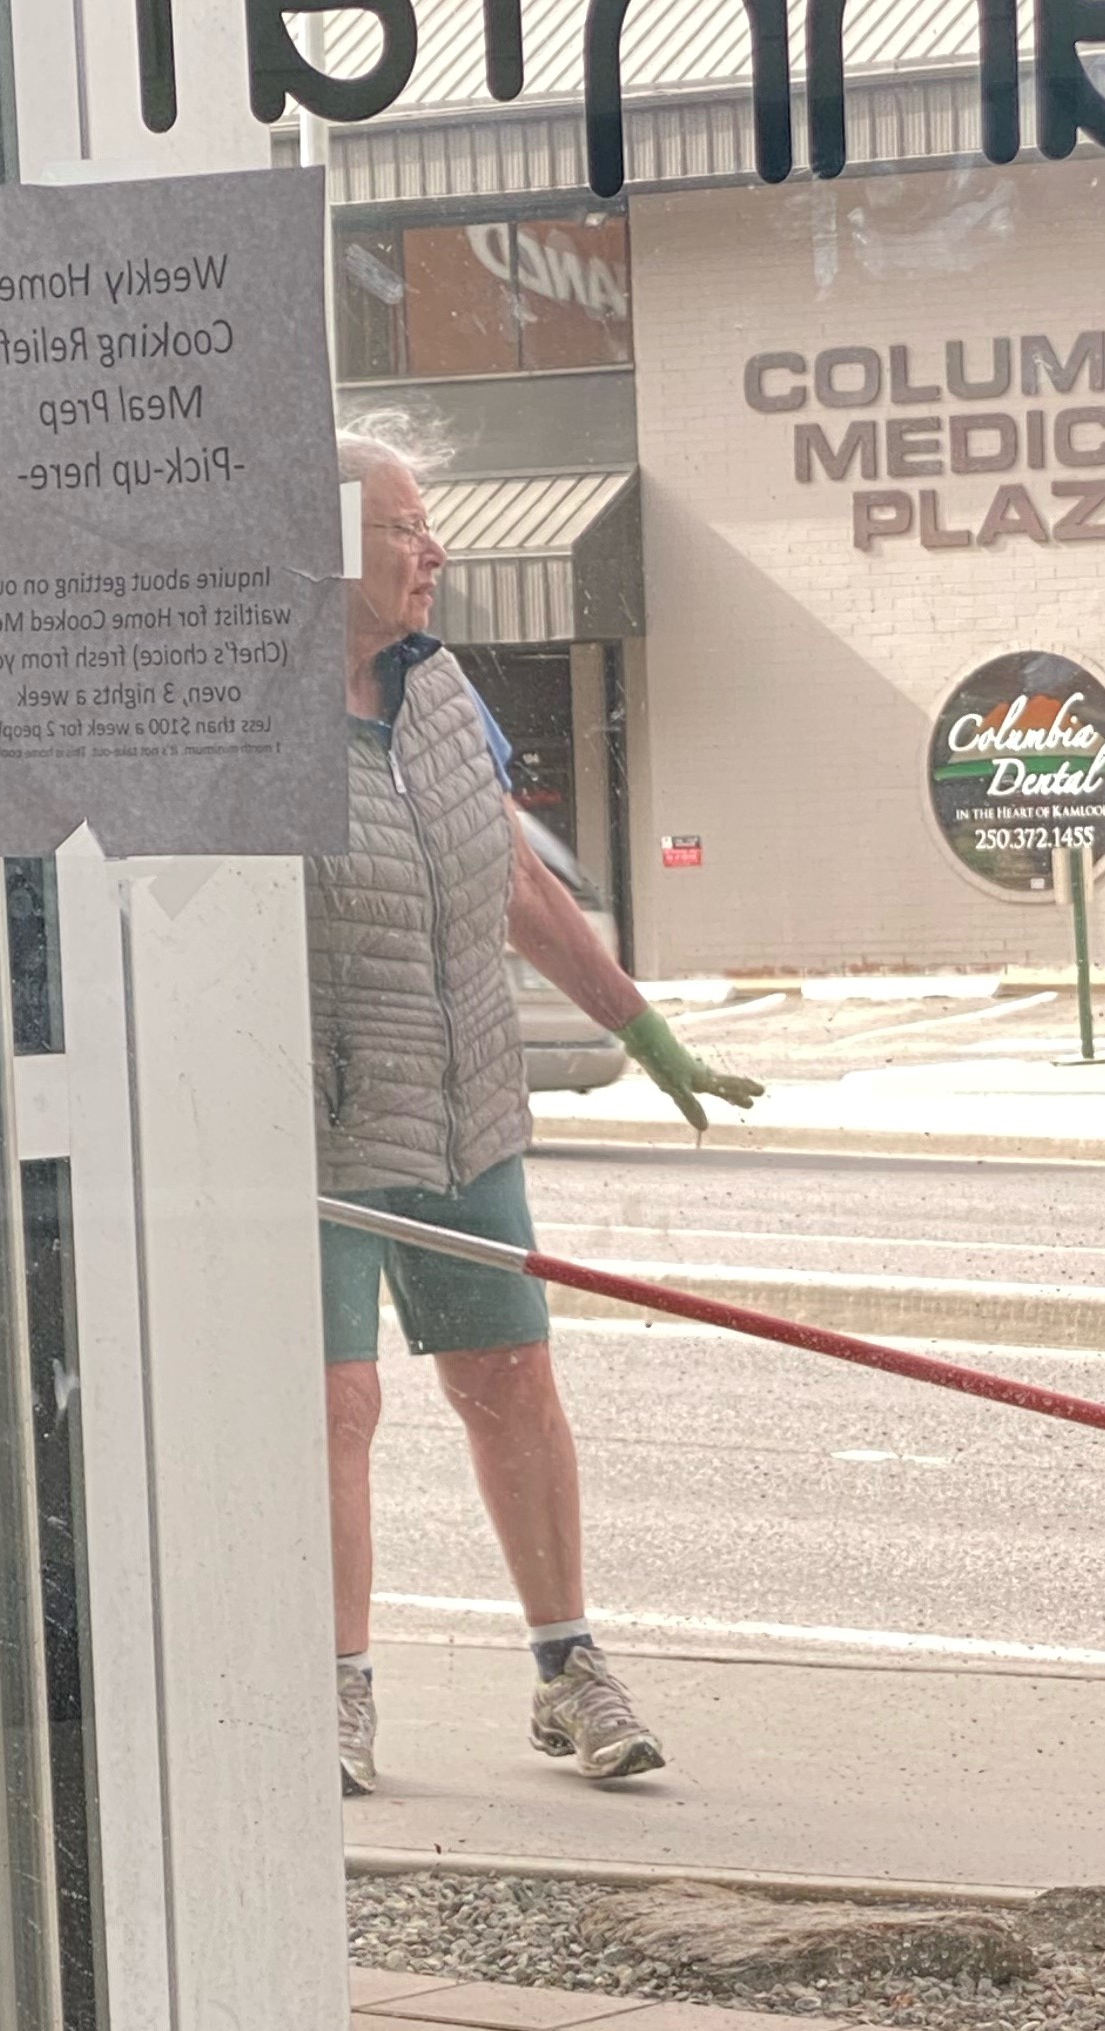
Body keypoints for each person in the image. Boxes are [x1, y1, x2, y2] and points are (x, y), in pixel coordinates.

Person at [312, 435, 763, 1794]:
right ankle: (333, 1690)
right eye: (401, 530)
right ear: (328, 543)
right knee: (332, 1406)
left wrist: (643, 1025)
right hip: (320, 1125)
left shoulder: (444, 695)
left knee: (511, 1384)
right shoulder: (246, 712)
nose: (429, 552)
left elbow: (515, 884)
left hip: (465, 1112)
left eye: (427, 525)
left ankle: (570, 1673)